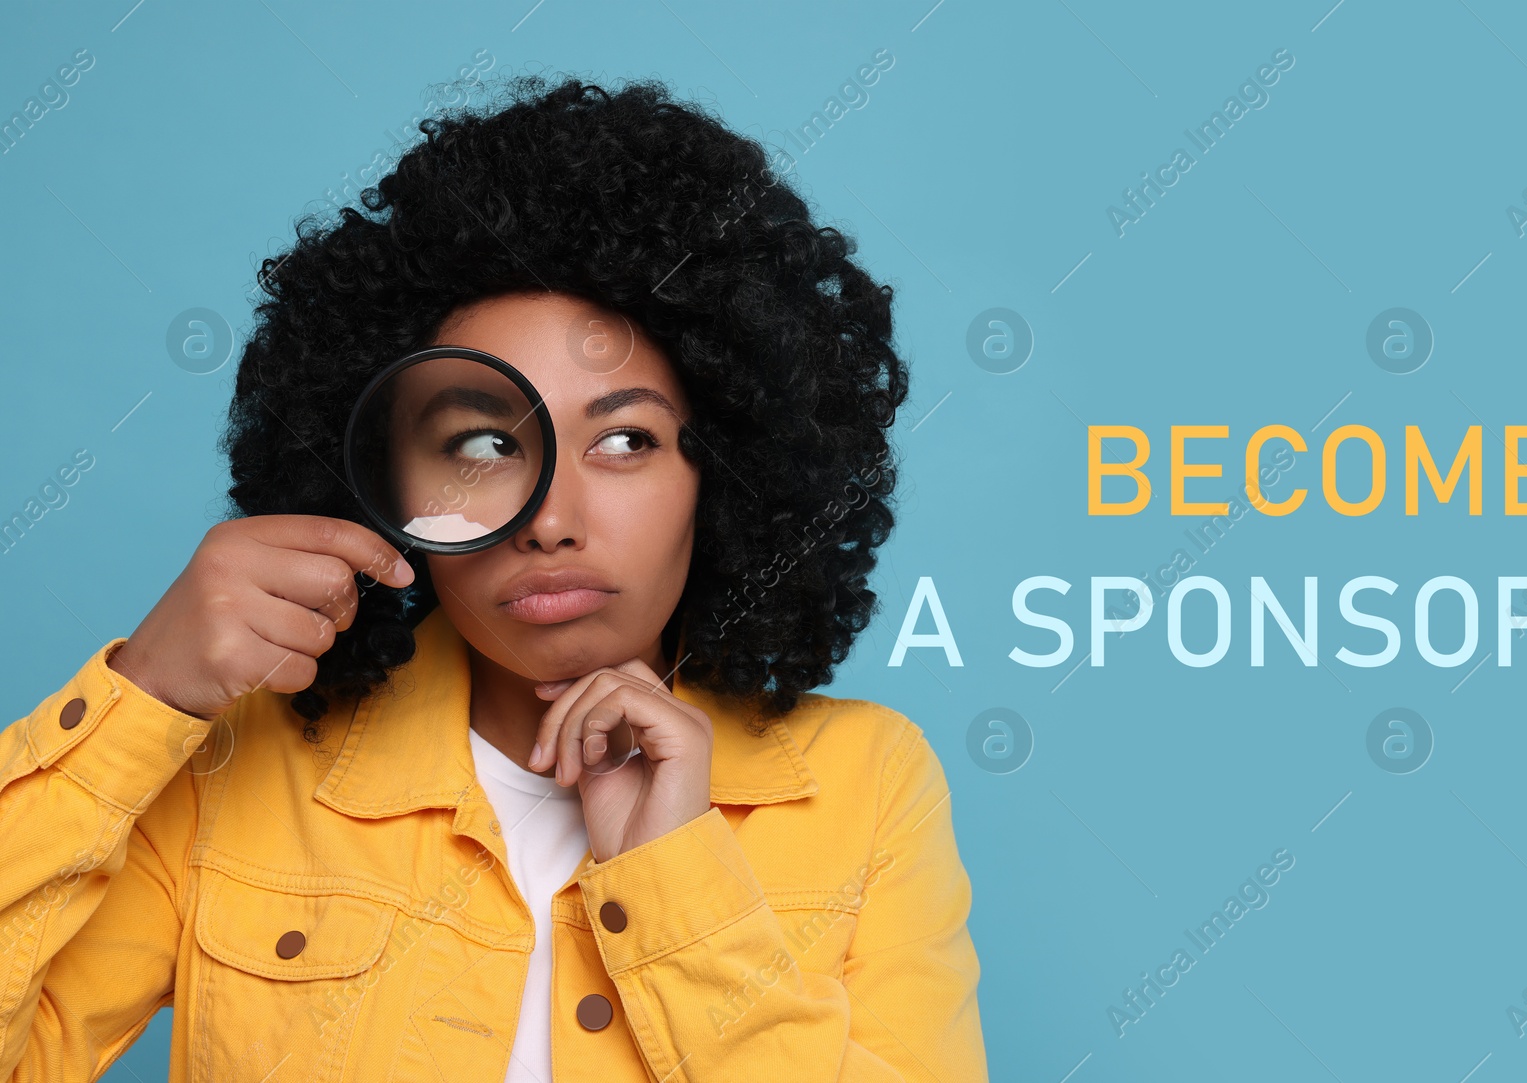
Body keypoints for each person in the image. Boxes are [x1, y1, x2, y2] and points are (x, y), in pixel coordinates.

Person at [0, 72, 987, 1081]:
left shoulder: (862, 786)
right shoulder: (240, 771)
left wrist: (675, 878)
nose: (551, 521)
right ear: (384, 486)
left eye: (626, 440)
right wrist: (140, 700)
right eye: (479, 445)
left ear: (725, 467)